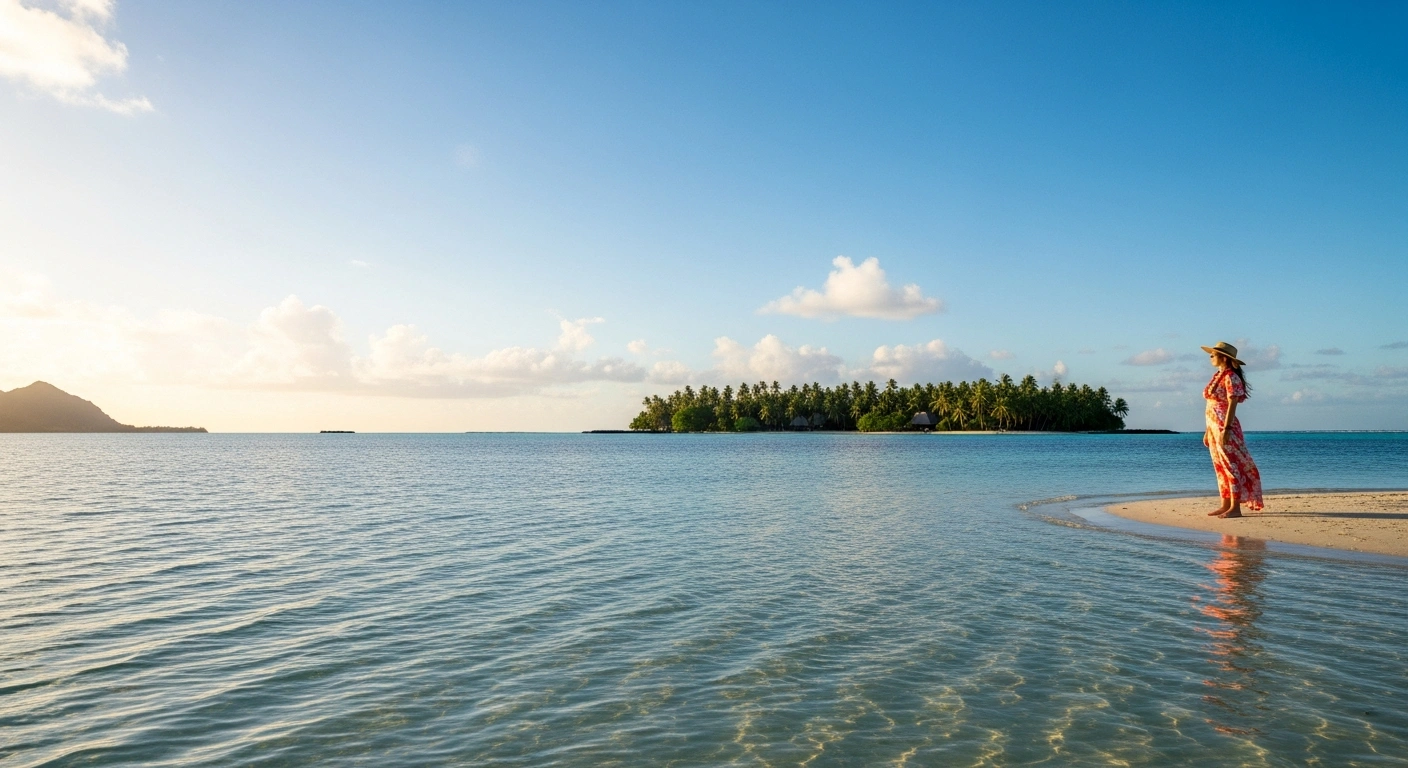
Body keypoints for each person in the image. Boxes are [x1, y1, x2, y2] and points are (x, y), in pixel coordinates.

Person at [1201, 342, 1263, 518]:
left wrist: (1226, 429)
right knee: (1219, 466)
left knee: (1231, 465)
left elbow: (1231, 405)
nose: (1211, 357)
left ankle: (1235, 507)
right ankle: (1225, 504)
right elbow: (1210, 407)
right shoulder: (1218, 375)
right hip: (1214, 427)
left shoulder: (1231, 377)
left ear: (1223, 357)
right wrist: (1208, 431)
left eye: (1213, 354)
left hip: (1224, 426)